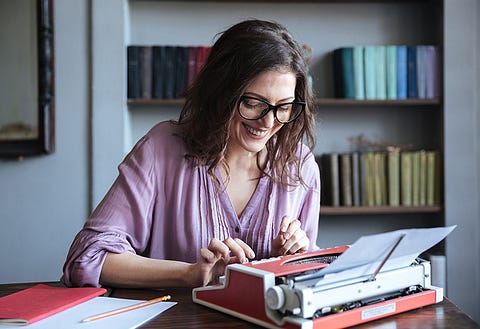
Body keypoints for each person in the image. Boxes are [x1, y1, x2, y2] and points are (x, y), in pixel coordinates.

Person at [62, 19, 320, 288]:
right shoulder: (161, 149)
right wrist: (189, 274)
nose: (268, 122)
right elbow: (88, 257)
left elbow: (311, 282)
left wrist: (293, 259)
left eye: (285, 106)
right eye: (253, 103)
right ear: (221, 92)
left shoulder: (300, 166)